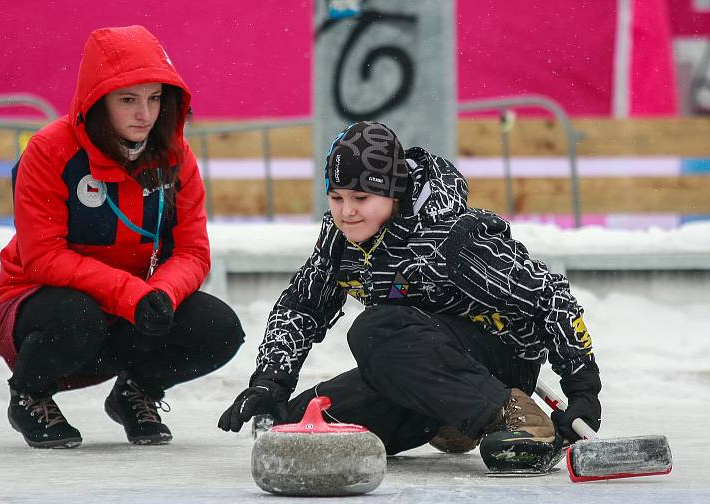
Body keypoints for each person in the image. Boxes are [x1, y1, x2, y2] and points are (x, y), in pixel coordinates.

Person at [218, 121, 601, 471]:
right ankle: (455, 416)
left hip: (498, 359)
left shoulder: (452, 236)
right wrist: (271, 382)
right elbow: (302, 306)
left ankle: (512, 416)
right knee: (301, 424)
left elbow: (551, 298)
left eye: (361, 198)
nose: (347, 212)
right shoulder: (339, 240)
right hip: (416, 365)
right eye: (336, 198)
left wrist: (583, 390)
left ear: (393, 193)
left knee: (374, 330)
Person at [0, 25, 244, 449]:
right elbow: (42, 257)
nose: (144, 114)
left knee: (218, 328)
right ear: (97, 101)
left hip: (133, 304)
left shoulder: (176, 156)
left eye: (154, 98)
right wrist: (131, 294)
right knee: (78, 316)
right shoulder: (49, 151)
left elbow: (193, 251)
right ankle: (30, 395)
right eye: (128, 99)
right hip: (42, 304)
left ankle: (136, 392)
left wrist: (161, 294)